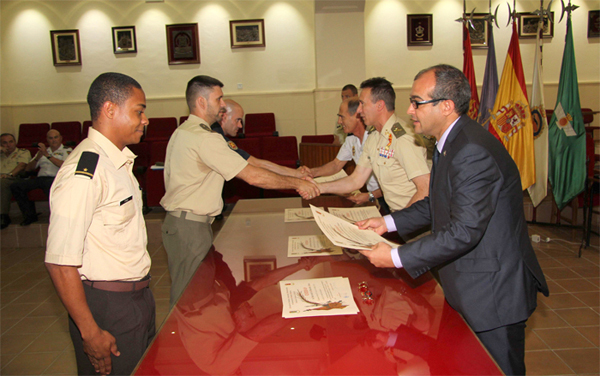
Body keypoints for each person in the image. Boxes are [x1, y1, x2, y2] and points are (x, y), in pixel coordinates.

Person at [356, 64, 549, 375]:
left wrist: (394, 256)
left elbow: (464, 230)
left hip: (492, 293)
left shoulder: (471, 150)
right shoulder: (452, 143)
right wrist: (387, 224)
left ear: (445, 106)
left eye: (417, 102)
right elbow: (437, 204)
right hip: (469, 285)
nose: (409, 110)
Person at [161, 75, 319, 306]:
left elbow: (251, 163)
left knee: (195, 294)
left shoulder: (185, 131)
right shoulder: (205, 138)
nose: (223, 104)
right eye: (219, 98)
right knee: (193, 301)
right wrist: (298, 183)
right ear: (202, 102)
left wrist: (294, 175)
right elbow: (253, 175)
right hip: (189, 229)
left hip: (184, 224)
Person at [45, 72, 155, 376]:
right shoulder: (86, 172)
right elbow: (60, 262)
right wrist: (90, 332)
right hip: (107, 305)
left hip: (136, 297)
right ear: (109, 110)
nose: (145, 120)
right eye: (139, 110)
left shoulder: (118, 162)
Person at [314, 77, 430, 212]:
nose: (358, 110)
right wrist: (318, 187)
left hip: (416, 222)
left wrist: (395, 222)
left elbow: (425, 188)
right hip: (399, 219)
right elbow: (355, 180)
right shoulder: (374, 138)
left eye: (362, 104)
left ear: (379, 105)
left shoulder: (403, 139)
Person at [305, 99, 388, 212]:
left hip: (386, 197)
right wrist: (311, 173)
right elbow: (336, 164)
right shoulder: (351, 139)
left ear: (357, 116)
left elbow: (392, 181)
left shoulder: (375, 139)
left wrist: (371, 195)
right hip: (375, 196)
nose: (339, 122)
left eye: (342, 117)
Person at [212, 99, 309, 179]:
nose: (240, 126)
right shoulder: (216, 138)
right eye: (237, 120)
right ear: (224, 117)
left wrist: (295, 173)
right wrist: (296, 176)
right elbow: (256, 165)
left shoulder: (217, 134)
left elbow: (256, 162)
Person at [10, 129, 71, 226]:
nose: (53, 140)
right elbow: (28, 169)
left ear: (61, 138)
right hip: (40, 178)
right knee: (16, 186)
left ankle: (57, 217)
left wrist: (47, 156)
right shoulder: (42, 152)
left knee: (48, 185)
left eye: (56, 137)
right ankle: (30, 216)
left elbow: (64, 165)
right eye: (50, 138)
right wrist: (38, 157)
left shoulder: (67, 150)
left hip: (56, 178)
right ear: (47, 140)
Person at [0, 133, 31, 229]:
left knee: (2, 183)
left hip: (15, 177)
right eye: (5, 143)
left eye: (11, 142)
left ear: (15, 142)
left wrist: (9, 175)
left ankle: (3, 216)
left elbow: (22, 166)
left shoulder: (23, 152)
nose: (8, 145)